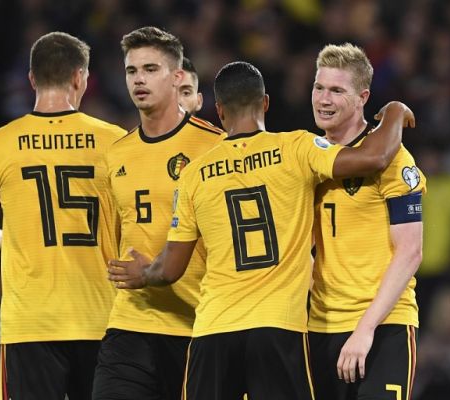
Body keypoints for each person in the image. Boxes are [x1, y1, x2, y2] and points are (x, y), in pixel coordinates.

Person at [108, 61, 415, 400]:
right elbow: (373, 157)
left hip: (214, 329)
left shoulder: (194, 175)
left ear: (219, 111)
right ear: (265, 103)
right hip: (278, 329)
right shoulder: (296, 149)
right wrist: (396, 113)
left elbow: (169, 269)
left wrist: (144, 274)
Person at [0, 32, 126, 400]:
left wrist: (3, 241)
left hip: (30, 324)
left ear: (32, 80)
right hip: (100, 318)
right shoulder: (115, 142)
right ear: (80, 78)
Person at [91, 27, 225, 400]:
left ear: (177, 76)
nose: (139, 80)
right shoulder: (117, 154)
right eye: (132, 71)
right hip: (130, 324)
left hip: (197, 326)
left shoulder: (213, 146)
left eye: (150, 69)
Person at [307, 43, 426, 400]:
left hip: (383, 327)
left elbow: (410, 251)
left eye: (336, 91)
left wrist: (365, 329)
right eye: (319, 87)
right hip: (320, 326)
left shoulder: (393, 159)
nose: (323, 99)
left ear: (362, 98)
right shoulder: (308, 158)